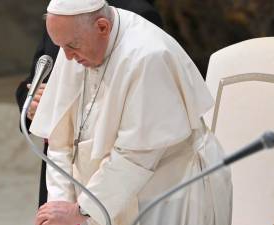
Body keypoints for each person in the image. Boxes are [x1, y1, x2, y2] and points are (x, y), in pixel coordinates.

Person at [30, 0, 232, 225]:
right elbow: (59, 141)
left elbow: (136, 157)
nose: (67, 57)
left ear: (103, 27)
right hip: (106, 193)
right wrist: (60, 204)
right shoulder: (74, 44)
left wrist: (82, 211)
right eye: (62, 47)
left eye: (72, 47)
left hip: (170, 191)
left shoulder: (148, 55)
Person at [15, 0, 163, 208]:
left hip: (110, 170)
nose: (68, 56)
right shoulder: (62, 10)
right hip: (62, 161)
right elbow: (36, 78)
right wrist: (31, 104)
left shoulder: (137, 14)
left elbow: (143, 107)